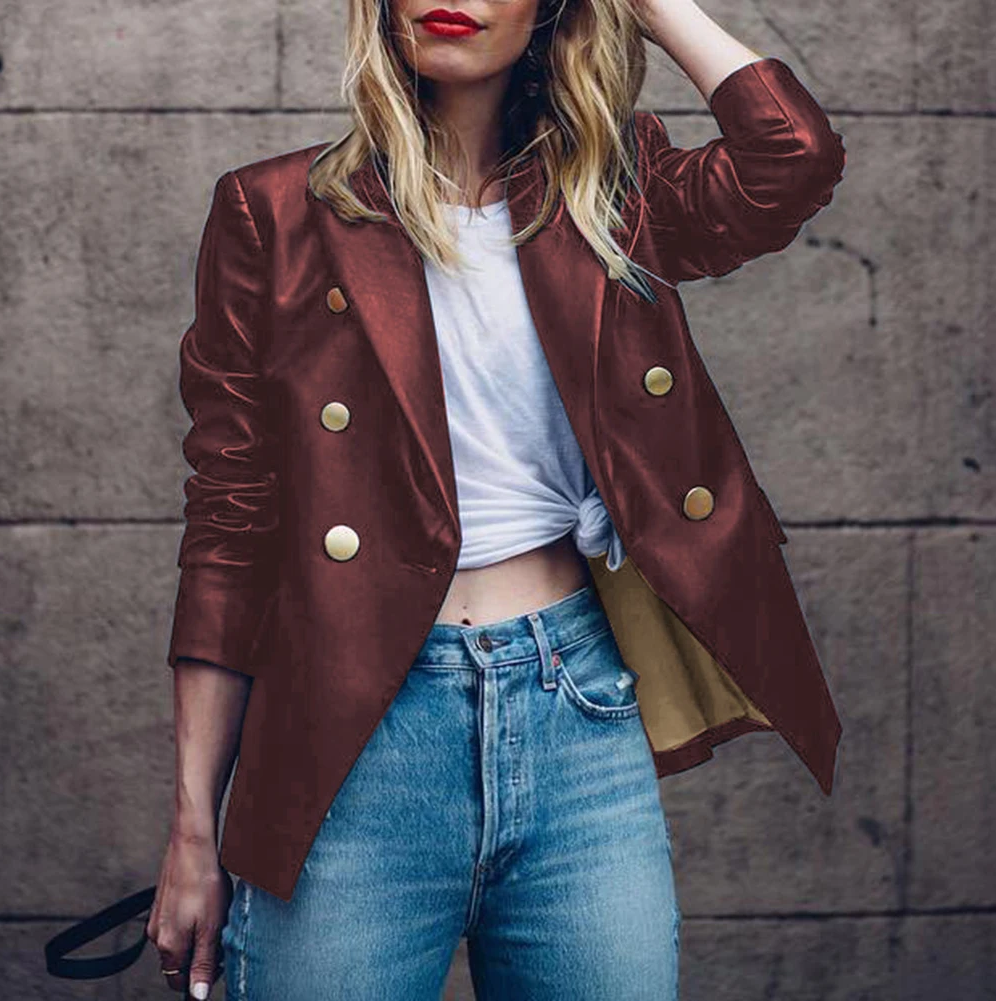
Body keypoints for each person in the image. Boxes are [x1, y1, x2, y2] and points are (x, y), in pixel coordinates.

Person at [146, 0, 846, 997]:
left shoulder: (616, 191)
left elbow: (790, 160)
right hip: (354, 733)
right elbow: (230, 526)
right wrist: (191, 827)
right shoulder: (275, 212)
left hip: (577, 708)